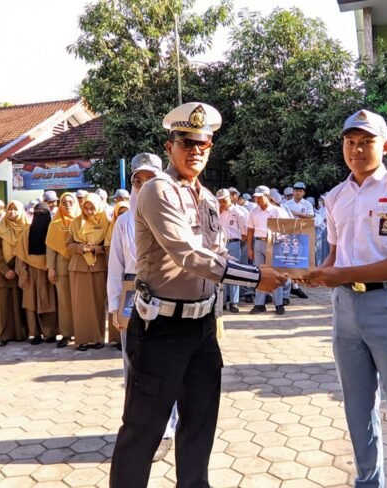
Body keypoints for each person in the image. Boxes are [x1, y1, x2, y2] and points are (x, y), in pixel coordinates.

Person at [109, 102, 287, 487]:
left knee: (199, 429)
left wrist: (275, 264)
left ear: (210, 148)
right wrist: (257, 277)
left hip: (202, 328)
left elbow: (218, 253)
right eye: (185, 143)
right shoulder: (158, 190)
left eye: (202, 144)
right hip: (161, 328)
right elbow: (187, 255)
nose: (195, 152)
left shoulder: (206, 198)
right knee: (143, 432)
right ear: (169, 145)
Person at [299, 108, 387, 487]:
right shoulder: (335, 196)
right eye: (350, 142)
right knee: (358, 412)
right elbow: (335, 254)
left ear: (385, 145)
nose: (357, 149)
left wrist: (341, 273)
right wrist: (315, 272)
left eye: (366, 142)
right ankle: (367, 481)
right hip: (345, 309)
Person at [107, 152, 179, 461]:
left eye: (150, 180)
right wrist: (113, 306)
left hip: (168, 296)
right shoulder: (123, 222)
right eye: (138, 181)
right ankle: (139, 427)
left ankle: (166, 430)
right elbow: (116, 266)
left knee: (168, 367)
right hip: (132, 297)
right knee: (134, 366)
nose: (143, 186)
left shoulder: (175, 214)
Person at [67, 193, 112, 350]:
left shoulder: (106, 223)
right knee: (80, 304)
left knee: (98, 303)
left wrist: (96, 249)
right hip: (79, 266)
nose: (89, 211)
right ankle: (82, 339)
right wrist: (81, 248)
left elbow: (109, 245)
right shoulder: (76, 222)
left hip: (98, 266)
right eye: (86, 208)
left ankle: (98, 338)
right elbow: (69, 244)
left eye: (92, 208)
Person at [15, 203, 59, 344]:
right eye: (37, 212)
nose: (40, 215)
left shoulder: (53, 231)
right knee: (31, 304)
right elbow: (20, 255)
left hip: (49, 272)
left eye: (43, 212)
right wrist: (22, 273)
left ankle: (50, 333)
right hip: (31, 272)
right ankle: (35, 333)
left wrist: (53, 268)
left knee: (49, 303)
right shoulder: (27, 232)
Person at [46, 192, 81, 348]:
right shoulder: (55, 224)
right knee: (65, 302)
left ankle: (83, 332)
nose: (67, 205)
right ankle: (67, 333)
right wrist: (51, 268)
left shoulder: (82, 220)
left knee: (81, 300)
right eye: (64, 202)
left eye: (70, 202)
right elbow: (51, 248)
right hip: (62, 266)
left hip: (81, 264)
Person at [0, 201, 27, 346]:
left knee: (17, 304)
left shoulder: (26, 228)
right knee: (3, 305)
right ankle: (2, 335)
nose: (12, 212)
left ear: (21, 211)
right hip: (2, 271)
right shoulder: (0, 228)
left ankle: (19, 334)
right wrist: (5, 270)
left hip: (19, 270)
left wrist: (20, 270)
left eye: (15, 210)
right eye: (10, 209)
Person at [247, 186, 286, 315]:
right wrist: (249, 248)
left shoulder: (277, 211)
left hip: (274, 243)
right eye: (256, 197)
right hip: (258, 242)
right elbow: (250, 230)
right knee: (259, 274)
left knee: (276, 274)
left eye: (260, 197)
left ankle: (278, 303)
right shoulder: (254, 211)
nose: (257, 200)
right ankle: (259, 304)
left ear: (268, 197)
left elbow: (287, 229)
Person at [217, 188, 248, 313]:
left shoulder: (237, 212)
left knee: (234, 272)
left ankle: (234, 302)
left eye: (224, 200)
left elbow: (244, 232)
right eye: (220, 200)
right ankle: (222, 301)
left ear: (229, 197)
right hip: (220, 245)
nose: (222, 203)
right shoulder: (217, 211)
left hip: (234, 243)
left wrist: (239, 243)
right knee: (220, 272)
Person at [283, 181, 313, 300]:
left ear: (303, 192)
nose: (297, 193)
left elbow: (310, 216)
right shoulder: (286, 203)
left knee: (297, 260)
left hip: (301, 234)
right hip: (288, 235)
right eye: (296, 191)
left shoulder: (307, 204)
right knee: (287, 260)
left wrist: (295, 213)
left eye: (300, 191)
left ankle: (295, 285)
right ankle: (289, 285)